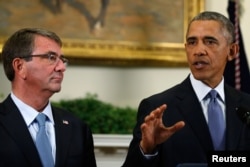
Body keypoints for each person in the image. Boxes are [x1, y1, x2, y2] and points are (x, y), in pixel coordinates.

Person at [122, 11, 250, 167]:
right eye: (192, 42)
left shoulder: (246, 106)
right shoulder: (158, 109)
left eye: (210, 42)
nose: (199, 51)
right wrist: (147, 150)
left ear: (232, 51)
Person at [0, 28, 97, 167]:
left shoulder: (77, 128)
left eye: (62, 60)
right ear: (20, 66)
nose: (62, 67)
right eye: (51, 57)